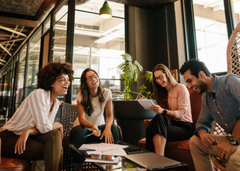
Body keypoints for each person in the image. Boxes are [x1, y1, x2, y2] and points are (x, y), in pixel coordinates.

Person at [0, 61, 74, 171]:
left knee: (55, 137)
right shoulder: (39, 94)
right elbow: (44, 127)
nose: (67, 82)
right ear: (51, 82)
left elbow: (44, 129)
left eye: (68, 79)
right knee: (55, 147)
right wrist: (58, 125)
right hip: (8, 139)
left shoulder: (55, 104)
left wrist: (28, 131)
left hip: (27, 136)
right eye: (62, 79)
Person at [180, 58, 240, 171]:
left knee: (232, 158)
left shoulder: (229, 82)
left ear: (201, 74)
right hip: (235, 140)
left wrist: (233, 142)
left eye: (189, 80)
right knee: (194, 142)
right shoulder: (206, 98)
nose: (189, 86)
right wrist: (202, 133)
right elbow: (202, 122)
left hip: (236, 140)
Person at [70, 68, 120, 170]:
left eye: (94, 75)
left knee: (113, 128)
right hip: (82, 132)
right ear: (85, 82)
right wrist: (93, 126)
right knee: (81, 130)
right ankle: (78, 168)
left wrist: (107, 128)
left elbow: (110, 115)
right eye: (89, 78)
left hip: (96, 132)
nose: (93, 79)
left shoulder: (106, 93)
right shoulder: (82, 95)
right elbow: (81, 120)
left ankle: (110, 165)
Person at [145, 64, 193, 156]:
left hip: (184, 127)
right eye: (156, 79)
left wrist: (162, 111)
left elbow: (182, 114)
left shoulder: (181, 88)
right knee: (152, 126)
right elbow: (164, 116)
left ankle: (159, 161)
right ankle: (151, 163)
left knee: (154, 127)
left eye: (160, 77)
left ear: (167, 74)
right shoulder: (162, 92)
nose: (159, 81)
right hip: (172, 124)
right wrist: (153, 107)